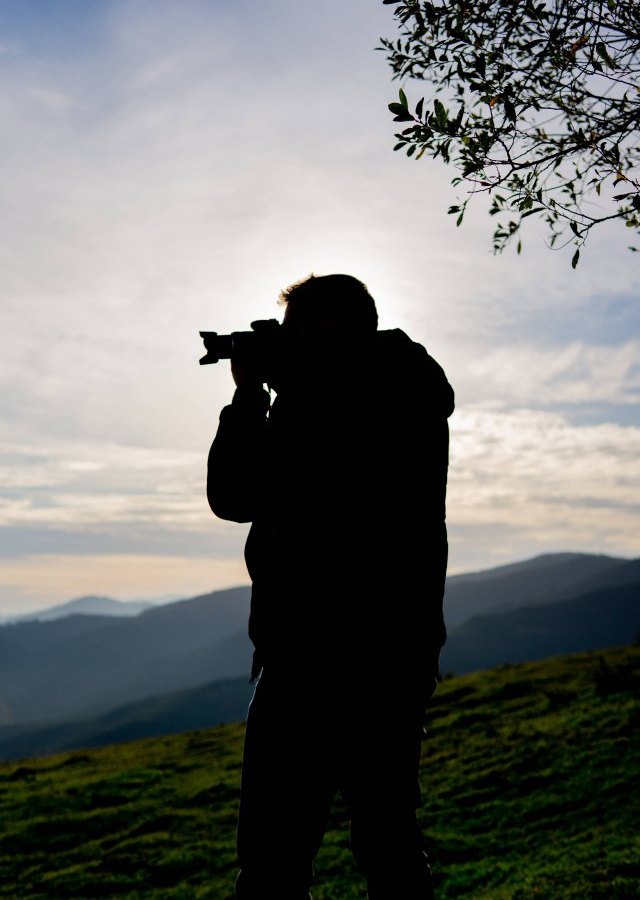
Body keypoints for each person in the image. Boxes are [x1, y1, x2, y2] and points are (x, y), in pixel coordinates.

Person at [207, 273, 454, 899]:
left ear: (329, 328)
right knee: (388, 844)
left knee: (274, 859)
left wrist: (249, 401)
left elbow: (235, 495)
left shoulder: (356, 398)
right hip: (393, 652)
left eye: (294, 332)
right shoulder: (408, 388)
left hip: (311, 655)